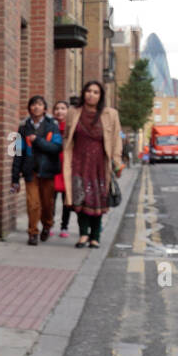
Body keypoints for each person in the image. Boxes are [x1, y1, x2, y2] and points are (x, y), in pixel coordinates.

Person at [62, 80, 124, 248]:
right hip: (78, 161)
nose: (91, 94)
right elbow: (67, 137)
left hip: (99, 163)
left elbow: (117, 139)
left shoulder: (110, 114)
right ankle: (83, 234)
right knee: (80, 198)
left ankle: (95, 236)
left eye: (96, 92)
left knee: (97, 199)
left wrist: (117, 162)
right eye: (89, 91)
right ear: (83, 93)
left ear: (101, 96)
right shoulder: (73, 112)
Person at [11, 95, 62, 245]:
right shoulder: (23, 127)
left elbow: (56, 148)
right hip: (30, 171)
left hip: (48, 171)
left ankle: (47, 225)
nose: (36, 107)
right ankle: (33, 233)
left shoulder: (52, 126)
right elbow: (17, 153)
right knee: (33, 203)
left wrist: (37, 141)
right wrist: (14, 178)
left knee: (47, 204)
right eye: (33, 104)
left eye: (39, 104)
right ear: (29, 108)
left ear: (45, 108)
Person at [52, 100, 73, 238]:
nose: (60, 111)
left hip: (68, 168)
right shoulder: (49, 126)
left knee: (67, 201)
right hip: (53, 166)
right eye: (57, 108)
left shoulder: (72, 127)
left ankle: (64, 226)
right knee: (50, 200)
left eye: (63, 108)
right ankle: (49, 224)